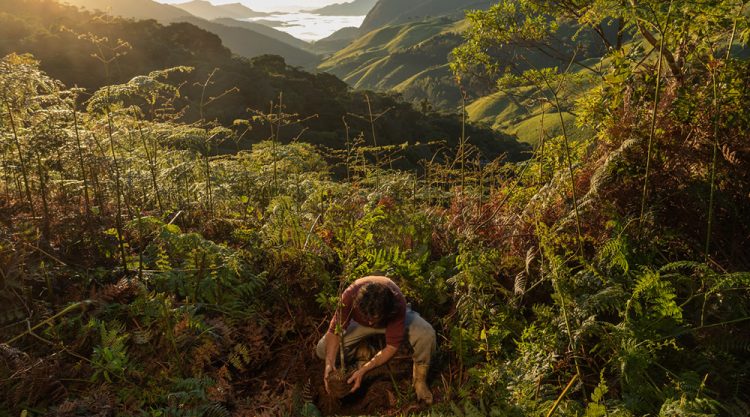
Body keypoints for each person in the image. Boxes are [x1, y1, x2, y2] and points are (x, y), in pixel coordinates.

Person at [315, 275, 436, 403]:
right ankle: (364, 352)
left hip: (388, 321)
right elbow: (334, 332)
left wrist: (364, 370)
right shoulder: (349, 296)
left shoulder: (396, 303)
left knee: (426, 333)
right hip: (359, 323)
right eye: (368, 318)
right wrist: (329, 363)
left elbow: (391, 347)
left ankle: (419, 381)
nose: (371, 323)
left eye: (374, 319)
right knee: (322, 350)